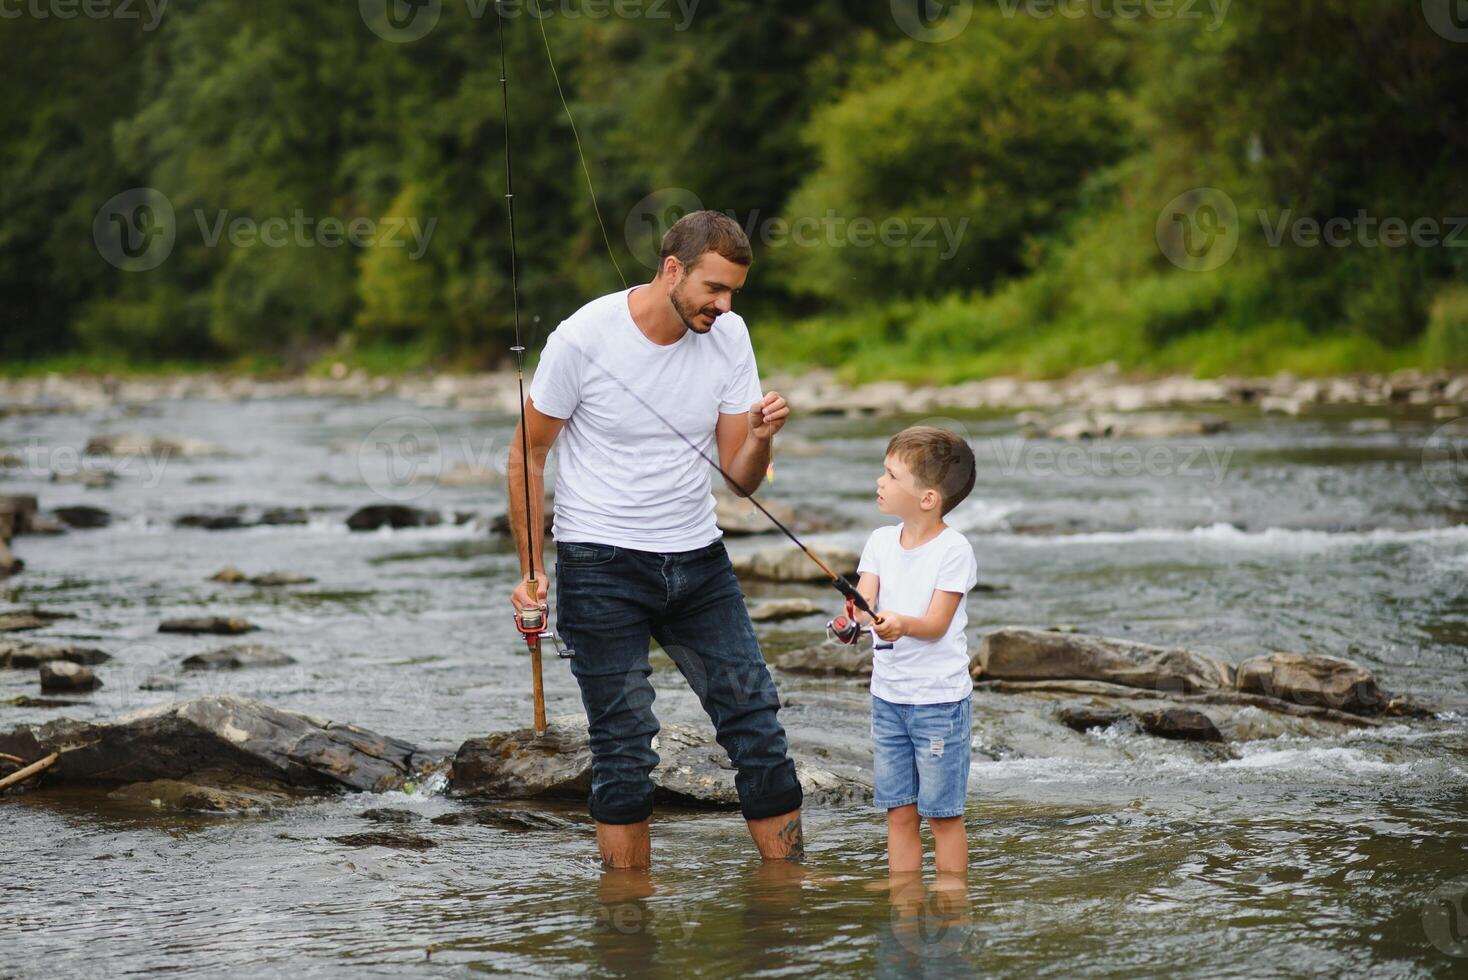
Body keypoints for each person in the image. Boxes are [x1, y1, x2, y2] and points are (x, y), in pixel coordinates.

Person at [507, 210, 804, 869]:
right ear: (673, 269)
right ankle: (627, 914)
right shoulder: (583, 338)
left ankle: (788, 894)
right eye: (714, 289)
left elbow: (740, 481)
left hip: (698, 562)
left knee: (757, 726)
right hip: (598, 566)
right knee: (623, 746)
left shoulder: (729, 337)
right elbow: (527, 454)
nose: (724, 306)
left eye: (734, 294)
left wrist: (760, 436)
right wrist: (530, 567)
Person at [850, 425, 978, 875]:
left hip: (938, 703)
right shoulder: (880, 542)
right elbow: (865, 607)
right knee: (898, 812)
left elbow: (937, 624)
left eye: (891, 476)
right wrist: (852, 620)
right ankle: (903, 901)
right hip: (888, 700)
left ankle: (950, 898)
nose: (879, 483)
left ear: (928, 498)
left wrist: (901, 624)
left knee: (943, 817)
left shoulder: (954, 550)